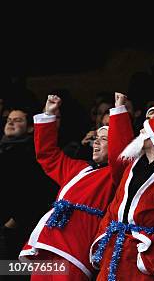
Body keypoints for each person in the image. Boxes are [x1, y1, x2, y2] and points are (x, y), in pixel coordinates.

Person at [17, 95, 114, 280]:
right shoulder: (79, 167)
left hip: (76, 247)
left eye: (104, 139)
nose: (96, 143)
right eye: (96, 138)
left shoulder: (117, 174)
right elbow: (48, 155)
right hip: (48, 241)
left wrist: (119, 112)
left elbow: (120, 155)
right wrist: (49, 115)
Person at [90, 104, 154, 280]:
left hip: (140, 252)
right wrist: (103, 237)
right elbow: (115, 206)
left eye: (144, 132)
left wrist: (152, 254)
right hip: (115, 247)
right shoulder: (132, 165)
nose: (140, 134)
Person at [2, 104, 58, 265]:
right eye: (9, 119)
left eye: (17, 120)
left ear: (30, 128)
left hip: (16, 229)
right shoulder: (4, 148)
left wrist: (13, 221)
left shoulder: (30, 153)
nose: (11, 123)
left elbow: (36, 192)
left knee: (12, 271)